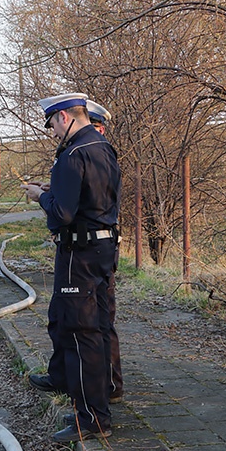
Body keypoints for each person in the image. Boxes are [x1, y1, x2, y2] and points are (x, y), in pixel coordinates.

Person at [21, 92, 121, 443]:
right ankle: (97, 398)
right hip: (105, 247)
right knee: (96, 325)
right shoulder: (101, 147)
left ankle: (92, 418)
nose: (50, 133)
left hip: (79, 253)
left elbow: (62, 214)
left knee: (83, 334)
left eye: (51, 125)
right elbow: (95, 198)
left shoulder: (72, 154)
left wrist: (40, 197)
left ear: (63, 117)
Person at [84, 98, 123, 404]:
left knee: (101, 321)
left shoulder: (97, 155)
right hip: (103, 247)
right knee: (100, 319)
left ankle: (110, 386)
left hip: (96, 249)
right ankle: (109, 384)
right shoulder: (100, 154)